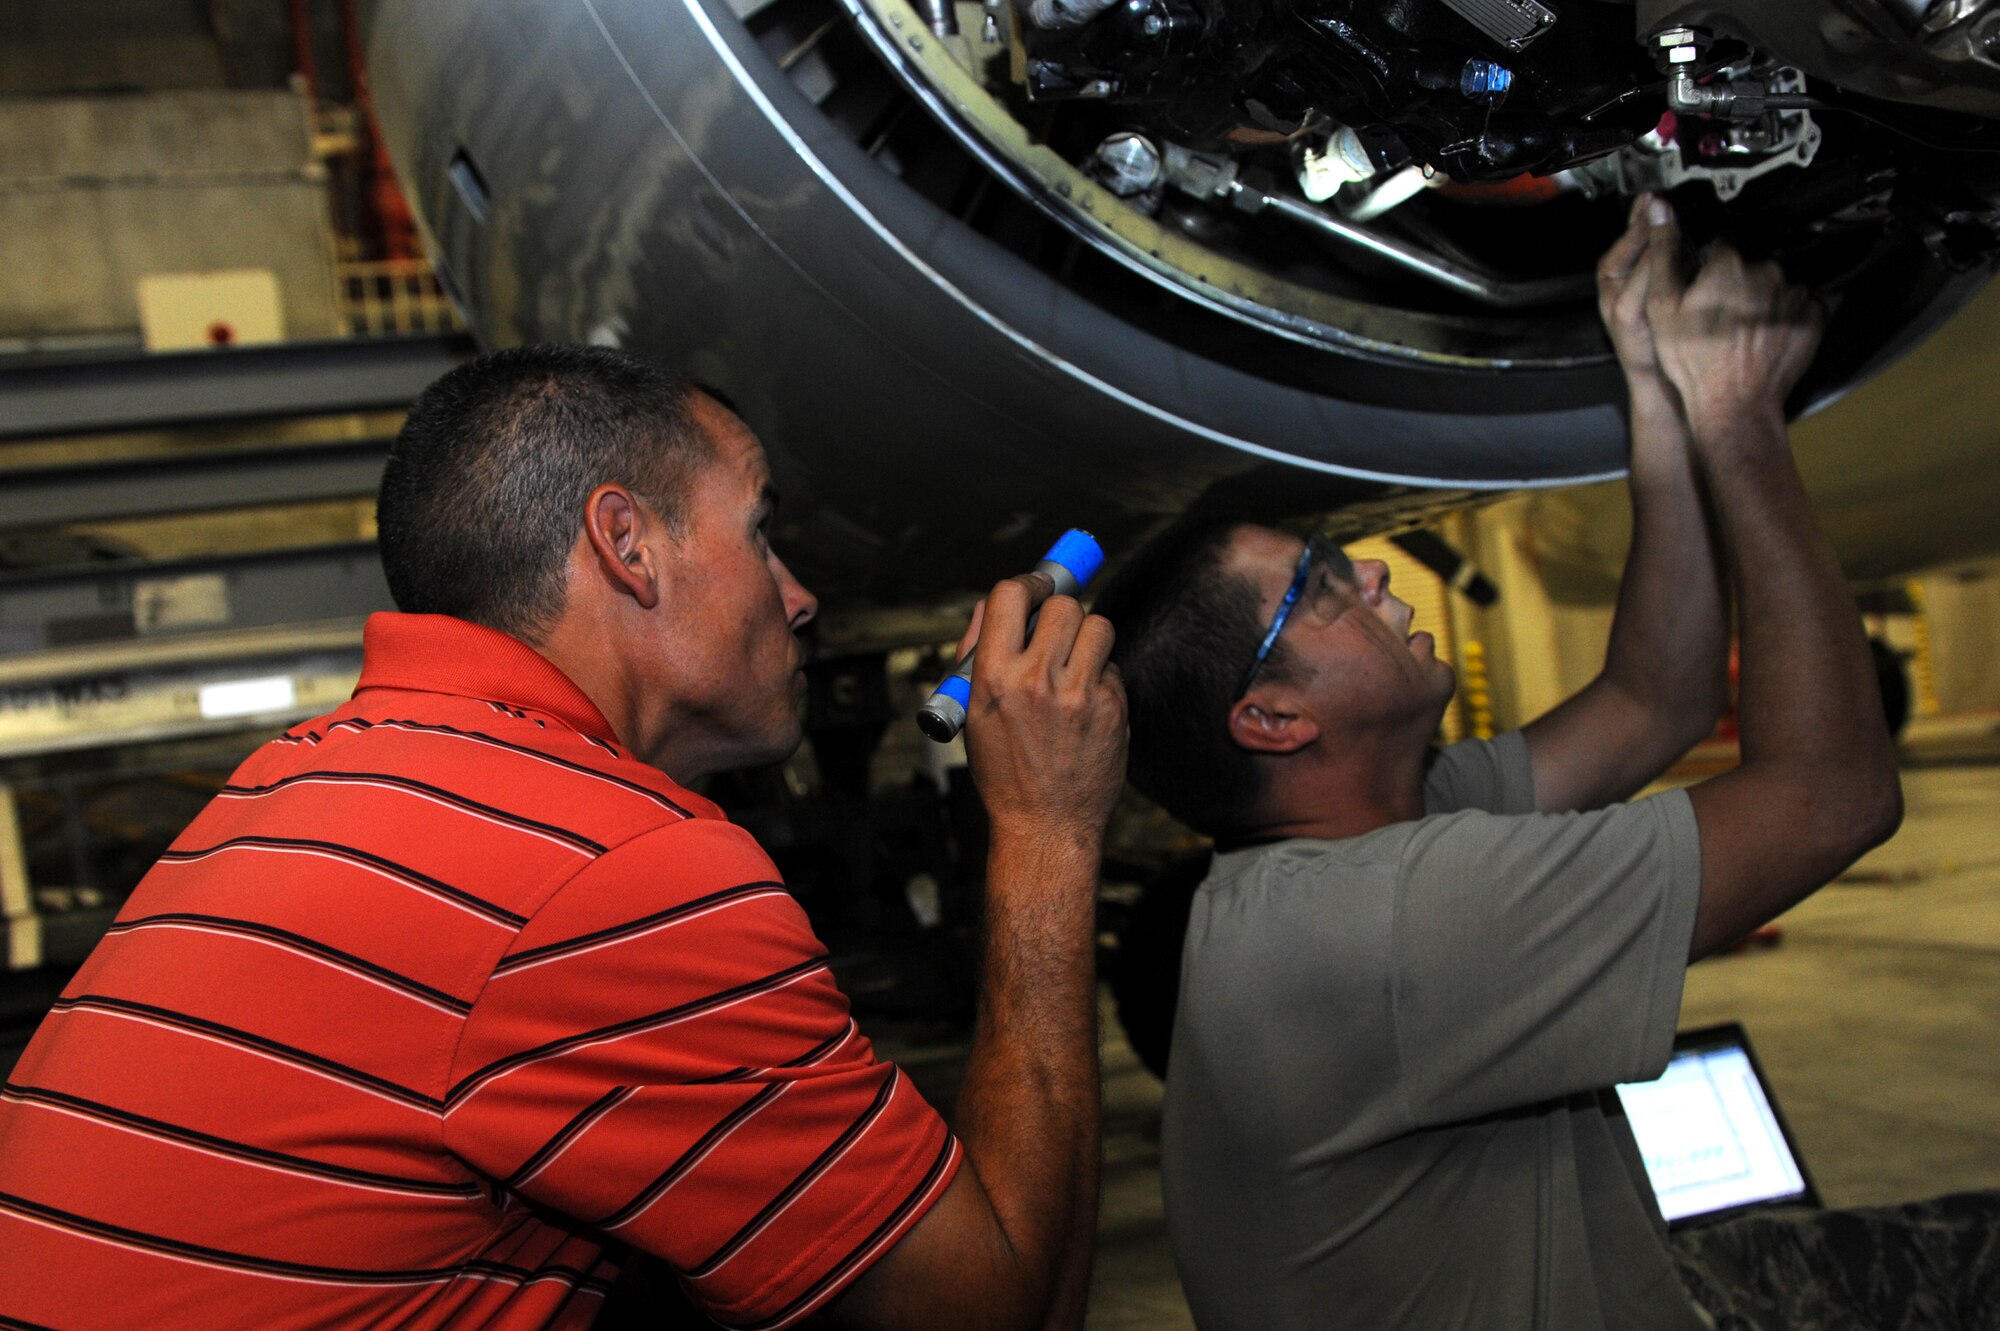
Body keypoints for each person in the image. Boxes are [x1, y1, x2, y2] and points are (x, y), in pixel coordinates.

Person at [0, 347, 1127, 1330]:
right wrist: (1045, 827)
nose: (800, 595)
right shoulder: (615, 867)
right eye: (761, 532)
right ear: (626, 544)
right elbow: (989, 1304)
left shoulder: (298, 773)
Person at [1091, 196, 1907, 1330]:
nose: (1369, 578)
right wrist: (1740, 422)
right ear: (1269, 718)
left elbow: (1653, 697)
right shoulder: (1380, 926)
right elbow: (1832, 795)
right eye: (1321, 586)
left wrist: (1662, 403)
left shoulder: (1364, 838)